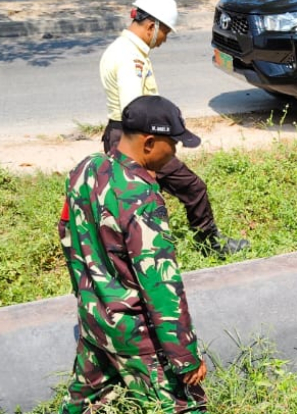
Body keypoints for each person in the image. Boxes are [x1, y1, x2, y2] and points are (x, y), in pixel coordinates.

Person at [58, 95, 208, 413]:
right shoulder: (142, 198)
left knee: (83, 404)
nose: (176, 151)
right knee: (185, 407)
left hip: (94, 318)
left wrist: (88, 295)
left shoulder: (85, 170)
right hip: (134, 333)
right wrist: (184, 356)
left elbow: (68, 237)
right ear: (150, 142)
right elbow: (161, 286)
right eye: (174, 144)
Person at [99, 0, 249, 256]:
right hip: (138, 139)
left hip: (123, 135)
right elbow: (135, 111)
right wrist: (146, 160)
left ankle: (134, 250)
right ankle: (208, 245)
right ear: (150, 26)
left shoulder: (122, 49)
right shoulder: (129, 58)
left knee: (134, 200)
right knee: (192, 187)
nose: (165, 39)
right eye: (165, 32)